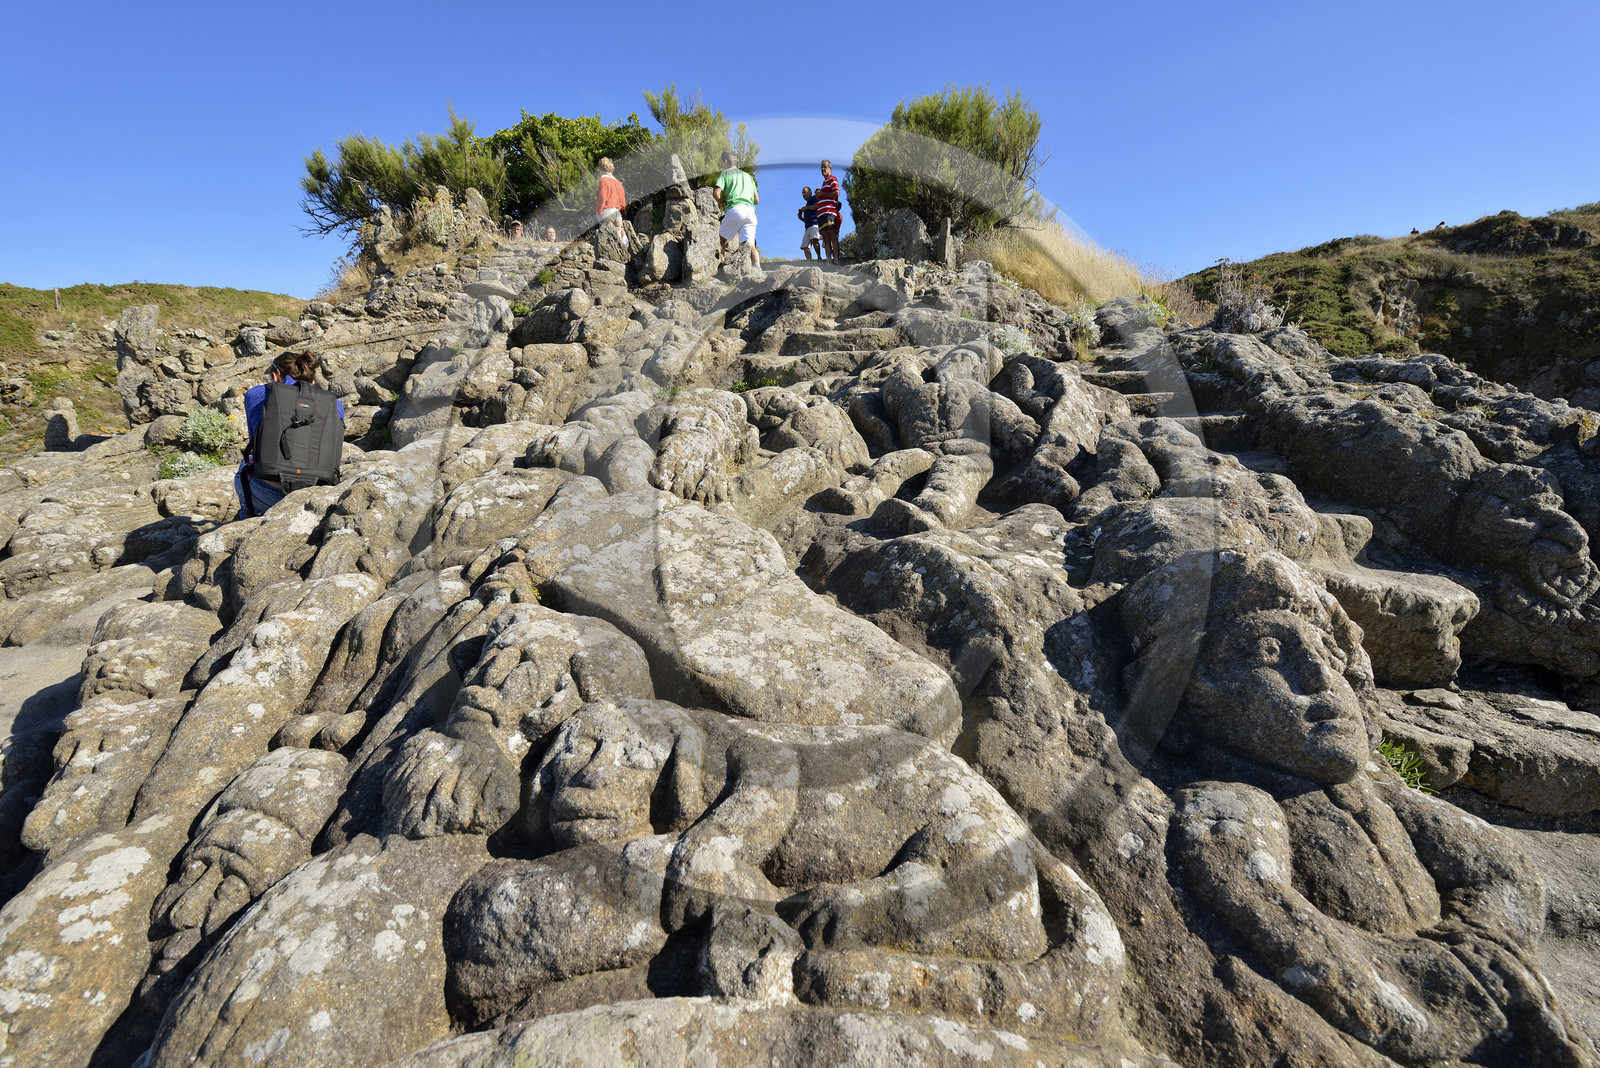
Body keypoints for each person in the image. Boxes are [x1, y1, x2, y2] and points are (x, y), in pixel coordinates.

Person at [235, 350, 344, 519]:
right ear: (313, 380)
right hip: (315, 492)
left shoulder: (255, 394)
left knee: (244, 466)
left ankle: (248, 518)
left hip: (268, 494)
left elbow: (258, 446)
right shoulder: (335, 404)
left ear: (275, 376)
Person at [712, 149, 759, 270]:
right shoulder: (748, 177)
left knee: (721, 240)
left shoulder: (725, 173)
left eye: (722, 163)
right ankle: (757, 269)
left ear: (726, 161)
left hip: (735, 209)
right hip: (750, 212)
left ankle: (720, 269)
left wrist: (721, 202)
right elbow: (757, 200)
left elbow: (716, 193)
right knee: (750, 245)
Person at [595, 157, 628, 247]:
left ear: (601, 168)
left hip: (607, 211)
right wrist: (622, 210)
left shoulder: (603, 180)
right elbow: (622, 199)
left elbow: (602, 197)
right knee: (618, 240)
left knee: (606, 240)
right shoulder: (618, 182)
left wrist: (598, 211)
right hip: (617, 213)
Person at [815, 159, 843, 263]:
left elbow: (836, 193)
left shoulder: (832, 178)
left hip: (829, 211)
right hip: (821, 213)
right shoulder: (824, 182)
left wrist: (822, 194)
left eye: (825, 167)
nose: (823, 169)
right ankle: (828, 261)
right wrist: (820, 195)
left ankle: (836, 260)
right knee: (825, 237)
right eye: (821, 167)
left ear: (830, 169)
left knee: (832, 235)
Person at [797, 185, 821, 260]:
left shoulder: (813, 198)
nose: (803, 194)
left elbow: (817, 206)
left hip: (815, 224)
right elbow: (807, 220)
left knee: (814, 239)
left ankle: (819, 257)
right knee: (805, 246)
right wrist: (802, 219)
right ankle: (809, 261)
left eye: (804, 192)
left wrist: (805, 208)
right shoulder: (807, 205)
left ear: (810, 192)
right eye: (802, 193)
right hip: (808, 227)